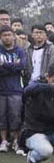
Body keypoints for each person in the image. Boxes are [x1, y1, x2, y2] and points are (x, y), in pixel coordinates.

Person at [0, 26, 27, 154]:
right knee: (2, 117)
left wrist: (4, 65)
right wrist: (13, 66)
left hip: (16, 89)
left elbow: (21, 66)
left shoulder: (20, 51)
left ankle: (16, 140)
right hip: (1, 89)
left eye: (9, 35)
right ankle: (4, 141)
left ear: (13, 36)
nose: (7, 37)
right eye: (4, 35)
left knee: (15, 116)